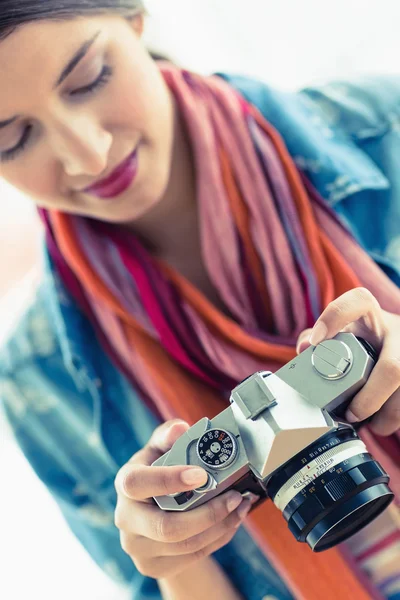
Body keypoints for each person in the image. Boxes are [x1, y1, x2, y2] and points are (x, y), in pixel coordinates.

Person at [0, 2, 399, 599]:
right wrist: (174, 559)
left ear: (136, 20)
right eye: (12, 139)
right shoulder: (39, 380)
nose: (88, 153)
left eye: (89, 79)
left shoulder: (385, 130)